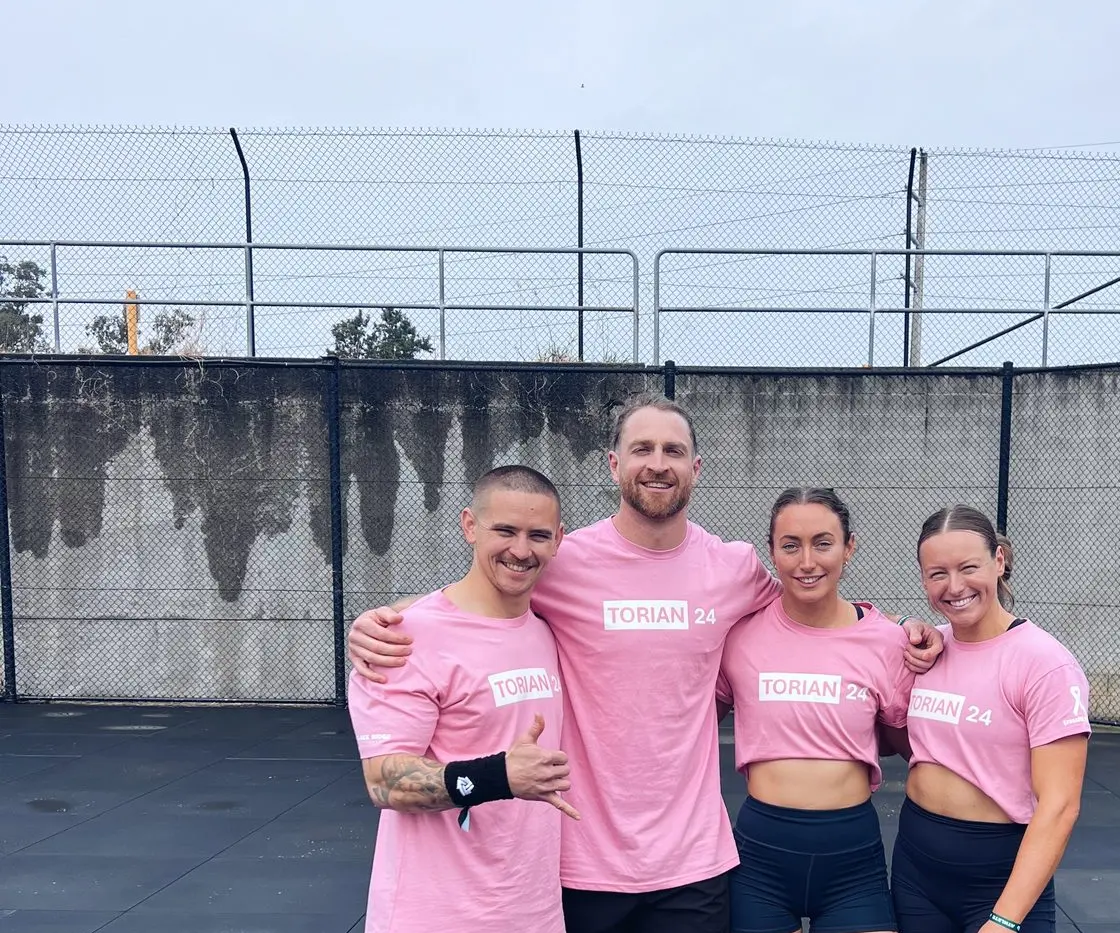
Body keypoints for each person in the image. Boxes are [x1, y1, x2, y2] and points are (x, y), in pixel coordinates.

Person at [348, 393, 945, 933]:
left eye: (673, 451)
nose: (658, 463)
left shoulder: (733, 568)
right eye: (642, 449)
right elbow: (483, 590)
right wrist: (392, 617)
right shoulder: (561, 561)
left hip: (693, 860)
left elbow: (810, 603)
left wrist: (898, 628)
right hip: (583, 857)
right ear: (615, 464)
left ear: (695, 468)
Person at [348, 465, 578, 933]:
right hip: (434, 917)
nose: (521, 550)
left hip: (534, 914)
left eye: (537, 535)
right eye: (505, 531)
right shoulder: (402, 639)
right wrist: (499, 776)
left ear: (558, 540)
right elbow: (384, 783)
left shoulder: (548, 630)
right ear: (470, 526)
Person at [717, 487, 912, 933]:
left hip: (852, 863)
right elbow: (691, 717)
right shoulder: (740, 636)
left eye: (823, 543)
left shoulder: (888, 642)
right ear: (772, 551)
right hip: (761, 861)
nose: (807, 562)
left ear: (849, 547)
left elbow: (912, 745)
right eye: (791, 546)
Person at [892, 505, 1090, 933]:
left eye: (968, 568)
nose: (955, 586)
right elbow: (851, 619)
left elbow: (1060, 806)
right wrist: (906, 621)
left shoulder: (1044, 663)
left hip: (997, 881)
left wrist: (1004, 919)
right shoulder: (927, 648)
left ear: (998, 561)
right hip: (916, 874)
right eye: (938, 573)